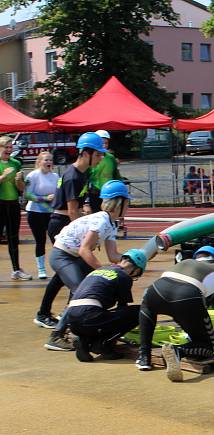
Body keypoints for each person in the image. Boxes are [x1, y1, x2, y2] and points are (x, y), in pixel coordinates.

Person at [135, 247, 214, 381]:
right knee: (207, 347)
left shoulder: (184, 262)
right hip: (187, 297)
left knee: (147, 308)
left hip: (156, 290)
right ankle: (178, 351)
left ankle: (144, 357)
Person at [43, 179, 129, 351]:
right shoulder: (102, 220)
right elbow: (84, 250)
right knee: (81, 291)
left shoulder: (111, 223)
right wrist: (102, 270)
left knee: (81, 290)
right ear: (119, 202)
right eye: (127, 202)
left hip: (71, 256)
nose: (128, 206)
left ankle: (73, 326)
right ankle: (57, 336)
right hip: (63, 255)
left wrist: (131, 259)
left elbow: (113, 255)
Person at [34, 132, 107, 329]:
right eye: (98, 154)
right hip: (62, 223)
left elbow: (79, 206)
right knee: (74, 275)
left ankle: (44, 313)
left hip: (67, 221)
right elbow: (72, 211)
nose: (101, 158)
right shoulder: (72, 176)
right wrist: (87, 237)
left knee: (62, 274)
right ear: (85, 153)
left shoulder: (83, 173)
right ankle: (65, 318)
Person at [65, 249, 146, 362]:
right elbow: (123, 308)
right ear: (136, 270)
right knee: (139, 311)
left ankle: (84, 341)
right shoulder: (124, 276)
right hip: (88, 315)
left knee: (101, 317)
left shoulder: (100, 270)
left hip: (71, 318)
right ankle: (104, 344)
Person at [24, 152, 59, 279]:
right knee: (40, 241)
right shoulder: (32, 175)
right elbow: (27, 195)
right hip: (35, 213)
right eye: (46, 160)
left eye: (50, 160)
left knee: (57, 240)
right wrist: (45, 198)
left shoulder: (55, 176)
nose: (49, 162)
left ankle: (59, 267)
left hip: (51, 213)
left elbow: (59, 192)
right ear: (39, 162)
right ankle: (41, 269)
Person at [0, 135, 31, 280]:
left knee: (13, 237)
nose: (8, 149)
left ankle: (16, 270)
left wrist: (19, 181)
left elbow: (21, 188)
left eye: (10, 147)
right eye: (5, 147)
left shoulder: (16, 163)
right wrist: (2, 177)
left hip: (13, 203)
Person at [87, 130, 121, 213]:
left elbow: (116, 175)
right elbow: (86, 177)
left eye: (106, 143)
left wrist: (120, 186)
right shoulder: (90, 158)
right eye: (102, 143)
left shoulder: (111, 158)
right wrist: (86, 201)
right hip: (94, 194)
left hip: (109, 194)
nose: (104, 145)